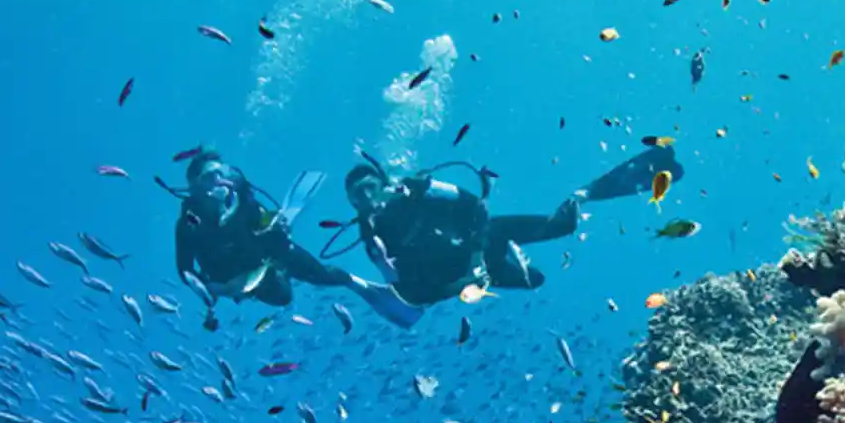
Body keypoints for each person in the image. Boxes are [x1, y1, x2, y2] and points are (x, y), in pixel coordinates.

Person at [171, 149, 416, 329]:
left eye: (220, 174)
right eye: (208, 178)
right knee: (283, 297)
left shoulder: (243, 201)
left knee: (321, 275)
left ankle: (358, 285)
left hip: (268, 254)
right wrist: (215, 289)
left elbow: (264, 221)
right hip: (233, 278)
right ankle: (279, 276)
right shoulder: (188, 225)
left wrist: (278, 223)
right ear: (194, 187)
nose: (218, 182)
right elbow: (185, 270)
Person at [340, 155, 581, 309]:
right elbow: (403, 288)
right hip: (458, 274)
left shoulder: (416, 189)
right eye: (358, 196)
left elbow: (475, 205)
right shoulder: (372, 238)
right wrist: (457, 284)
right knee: (534, 280)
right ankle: (500, 259)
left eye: (370, 188)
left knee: (561, 226)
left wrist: (477, 248)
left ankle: (576, 205)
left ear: (384, 183)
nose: (368, 199)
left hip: (480, 238)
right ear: (353, 204)